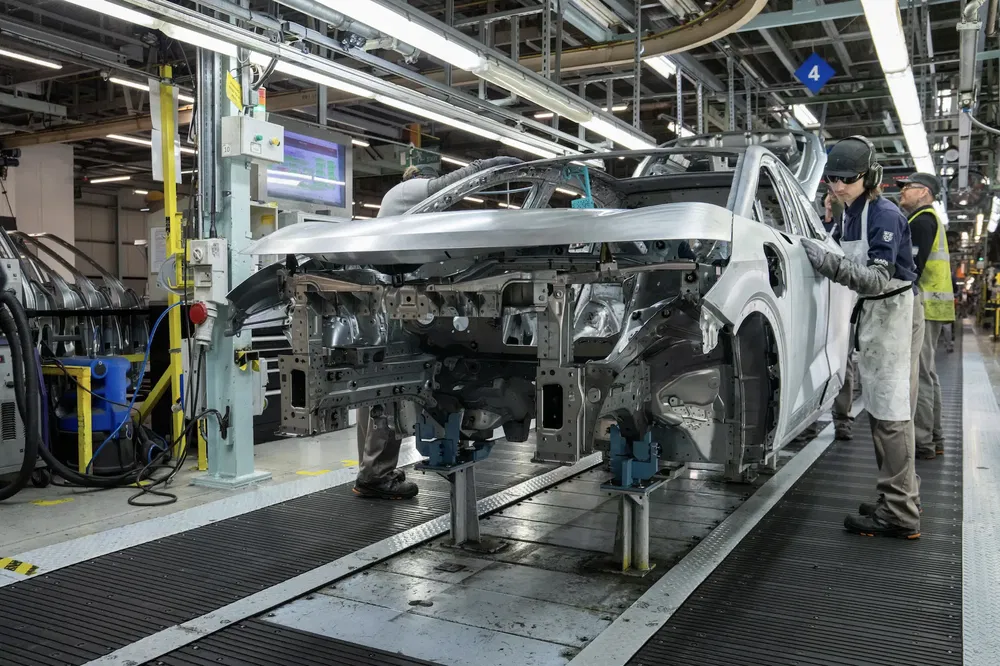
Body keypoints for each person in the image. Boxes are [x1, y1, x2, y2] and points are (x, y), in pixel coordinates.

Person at [353, 156, 523, 499]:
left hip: (394, 302)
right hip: (394, 305)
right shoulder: (408, 190)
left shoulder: (407, 203)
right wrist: (487, 166)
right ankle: (374, 475)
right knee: (388, 392)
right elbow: (446, 186)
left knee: (386, 392)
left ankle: (375, 470)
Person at [801, 136, 922, 539]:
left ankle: (901, 512)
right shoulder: (848, 212)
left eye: (846, 180)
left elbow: (874, 279)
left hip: (892, 313)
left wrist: (828, 263)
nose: (837, 187)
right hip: (875, 316)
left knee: (890, 414)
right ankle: (894, 497)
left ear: (870, 177)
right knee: (880, 410)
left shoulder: (884, 214)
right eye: (831, 180)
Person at [898, 172, 955, 460]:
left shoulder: (921, 221)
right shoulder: (928, 219)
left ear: (924, 193)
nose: (902, 192)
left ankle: (923, 441)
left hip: (925, 304)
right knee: (928, 374)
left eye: (908, 188)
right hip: (935, 304)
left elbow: (912, 268)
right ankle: (936, 436)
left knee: (920, 374)